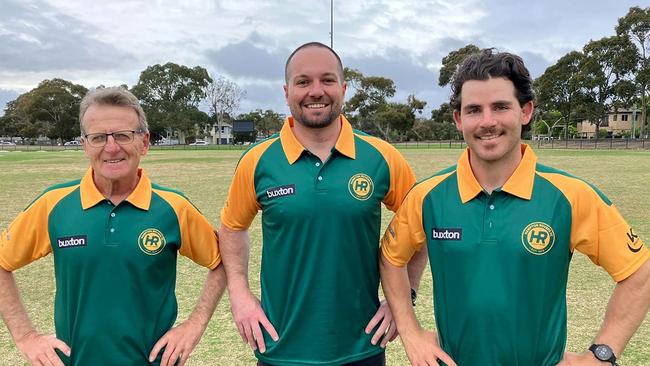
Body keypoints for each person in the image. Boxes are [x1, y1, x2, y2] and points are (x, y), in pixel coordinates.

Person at [379, 49, 650, 366]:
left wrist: (601, 356)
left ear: (526, 111)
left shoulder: (569, 195)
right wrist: (411, 333)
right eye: (474, 110)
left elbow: (639, 273)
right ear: (458, 119)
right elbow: (390, 258)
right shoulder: (428, 195)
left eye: (500, 107)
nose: (488, 122)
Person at [219, 42, 427, 366]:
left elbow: (421, 226)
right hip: (280, 347)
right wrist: (240, 295)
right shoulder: (258, 161)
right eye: (303, 82)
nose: (316, 91)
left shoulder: (381, 157)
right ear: (287, 92)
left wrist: (404, 299)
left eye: (327, 80)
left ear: (343, 89)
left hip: (362, 347)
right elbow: (232, 228)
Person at [0, 87, 226, 366]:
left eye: (123, 135)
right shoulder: (54, 205)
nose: (111, 147)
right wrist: (25, 336)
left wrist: (195, 324)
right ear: (85, 146)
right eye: (98, 138)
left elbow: (224, 260)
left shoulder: (173, 207)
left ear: (144, 142)